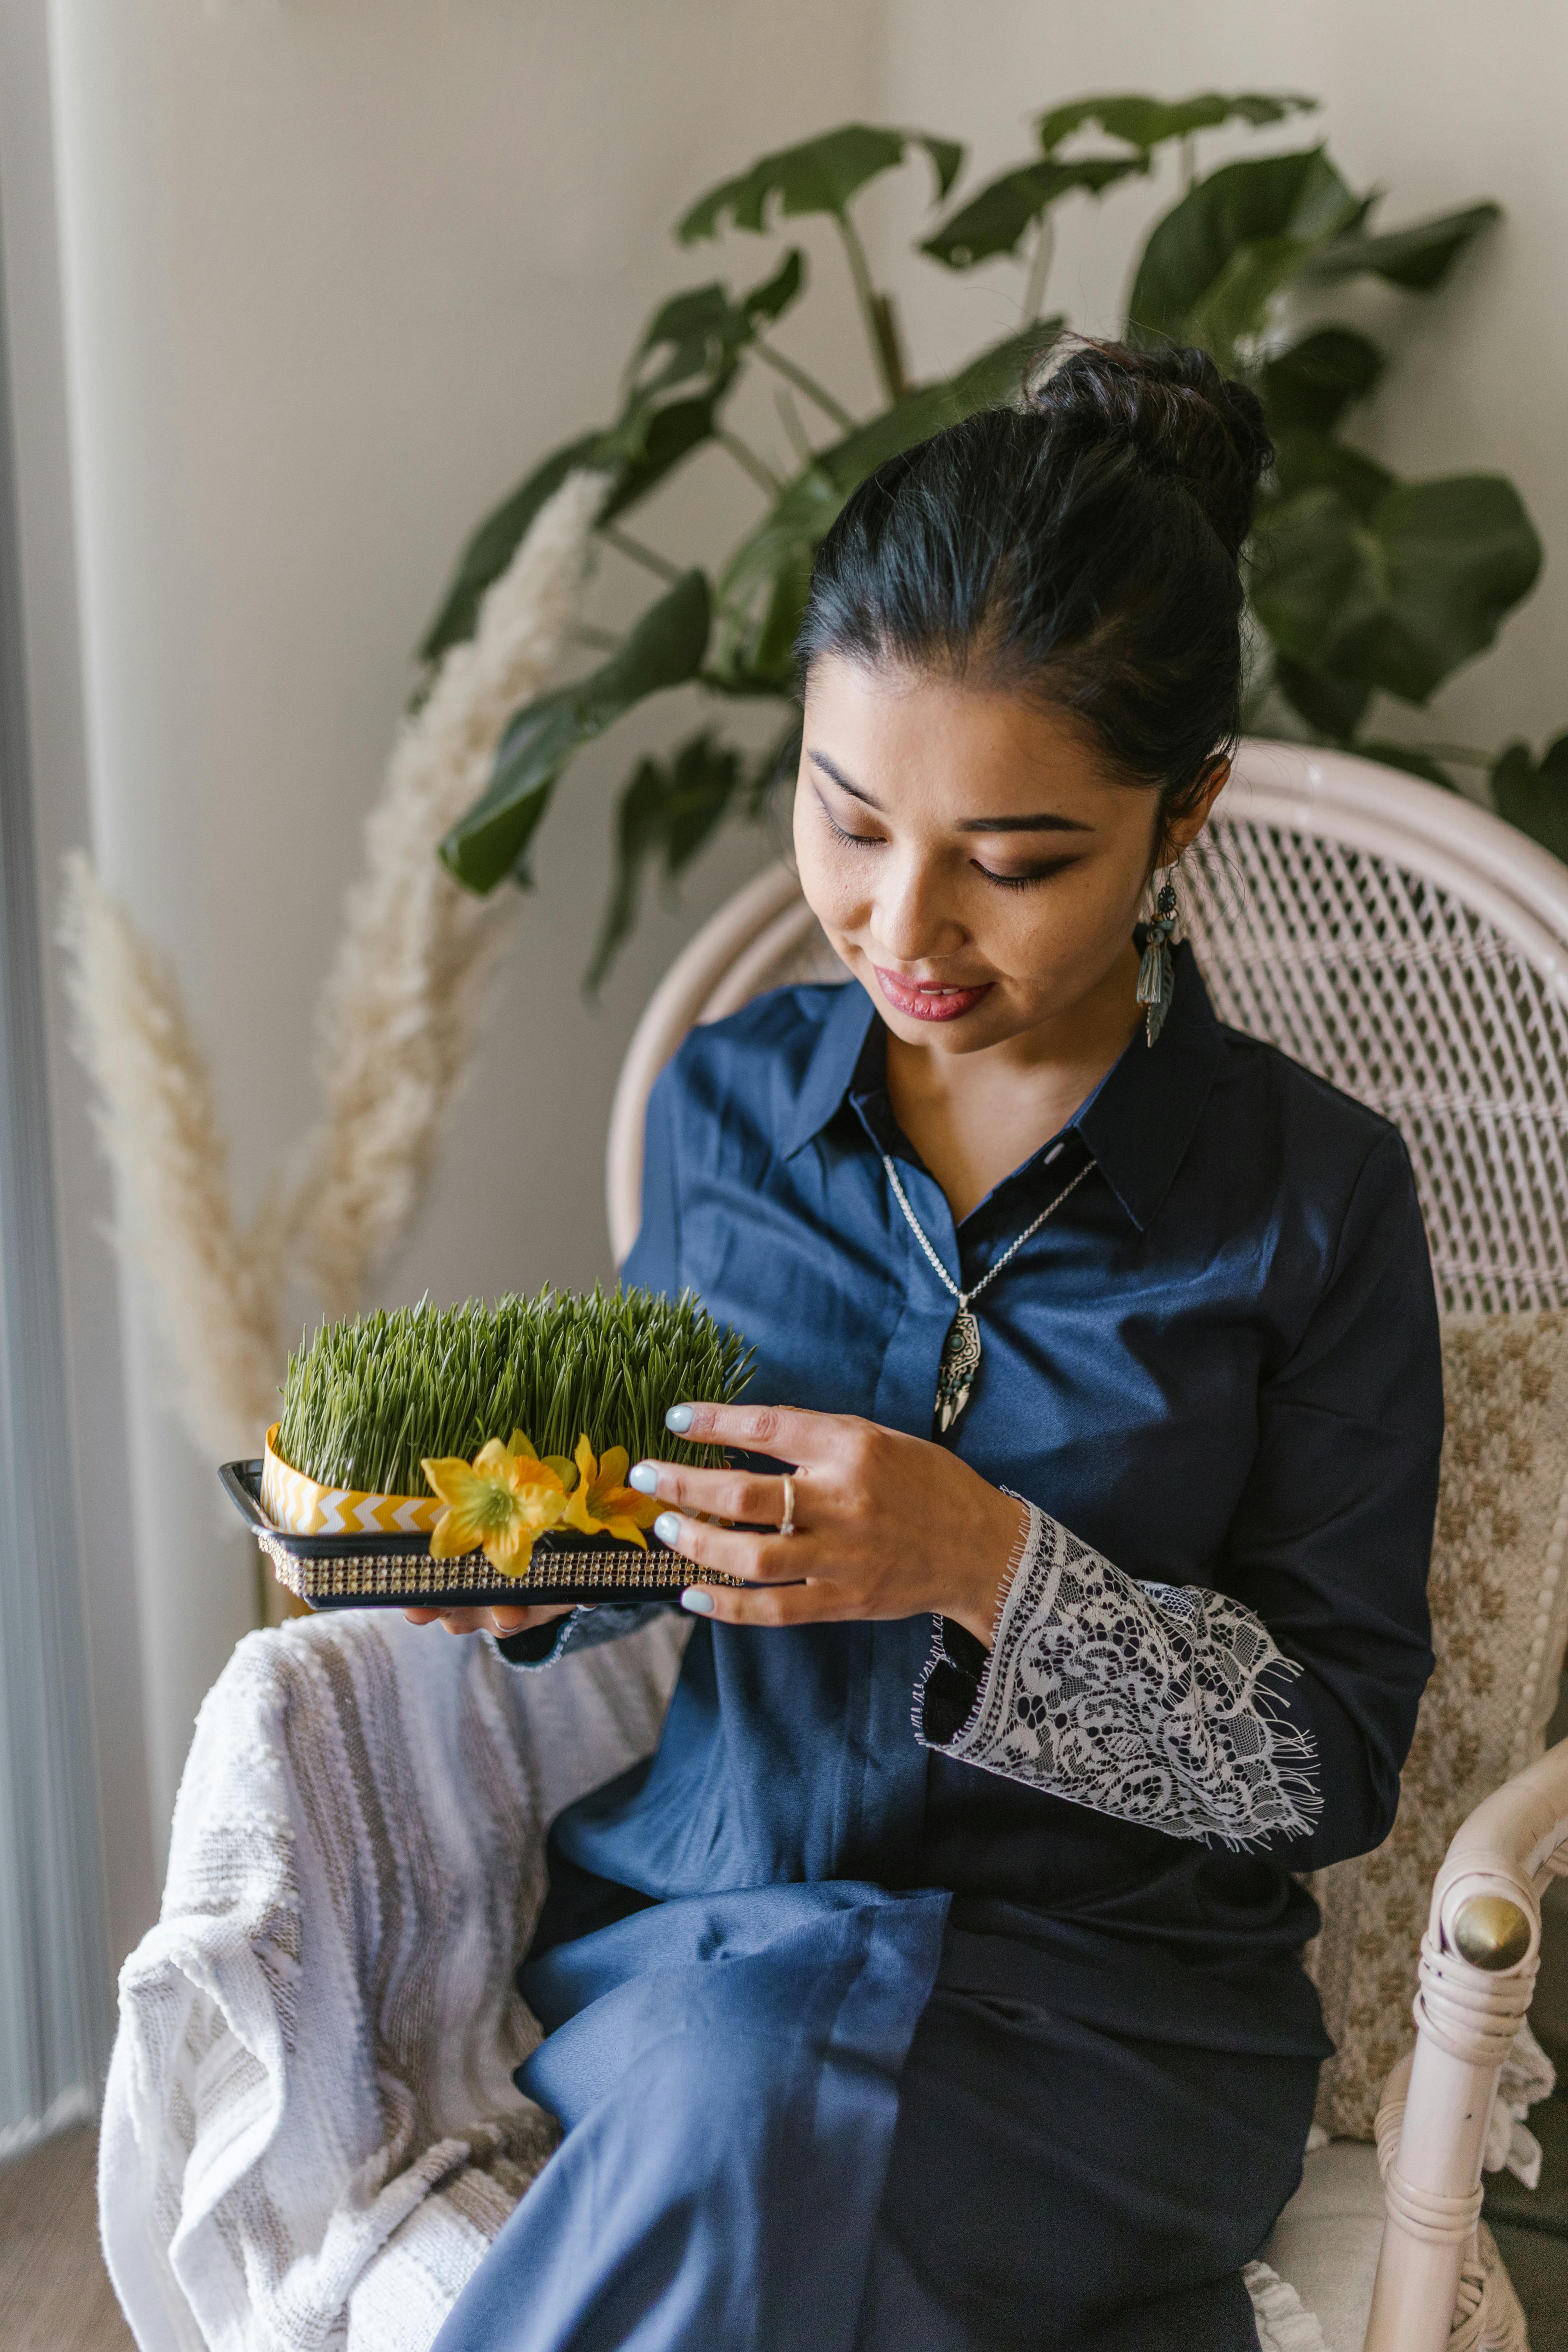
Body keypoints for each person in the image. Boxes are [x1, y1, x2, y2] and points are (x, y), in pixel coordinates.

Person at [410, 340, 1442, 2352]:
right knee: (758, 2079)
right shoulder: (728, 1106)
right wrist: (509, 1573)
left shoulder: (1321, 1200)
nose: (904, 923)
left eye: (1016, 862)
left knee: (766, 2124)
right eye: (846, 816)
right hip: (704, 1937)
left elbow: (1331, 1758)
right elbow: (645, 1511)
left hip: (1107, 2032)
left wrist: (986, 1564)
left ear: (1184, 817)